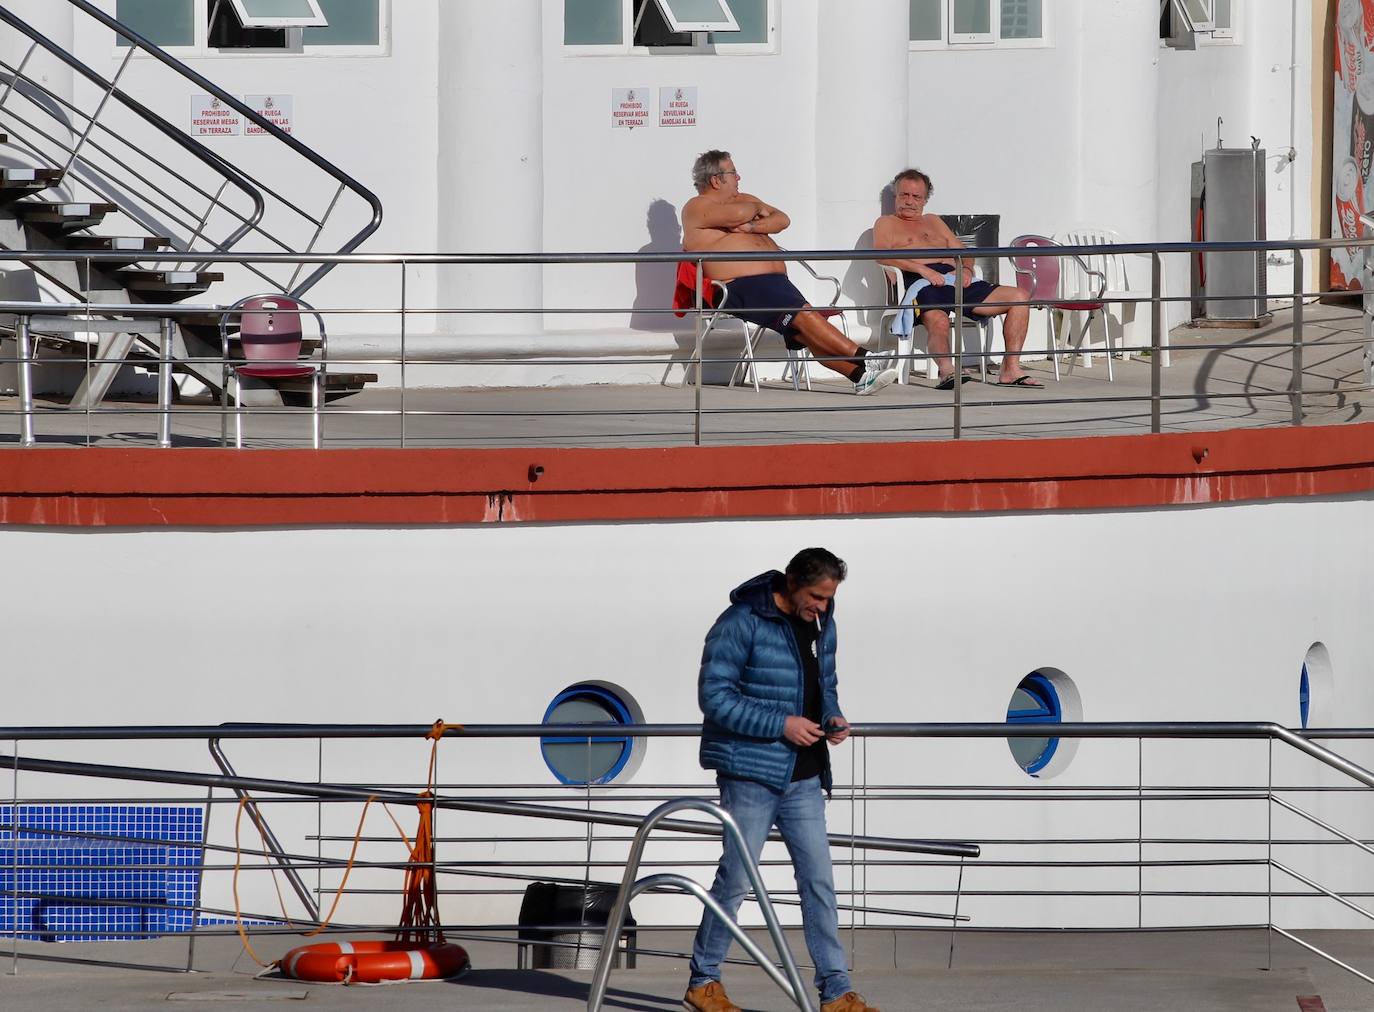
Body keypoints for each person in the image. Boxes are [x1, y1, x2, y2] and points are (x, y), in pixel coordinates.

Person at [684, 548, 880, 1012]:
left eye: (830, 599)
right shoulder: (741, 620)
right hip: (750, 772)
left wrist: (831, 716)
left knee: (819, 882)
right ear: (791, 581)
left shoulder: (821, 624)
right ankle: (702, 981)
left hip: (805, 775)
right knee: (736, 878)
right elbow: (714, 697)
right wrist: (781, 724)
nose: (823, 607)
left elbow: (824, 685)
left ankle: (836, 992)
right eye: (816, 596)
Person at [682, 150, 898, 396]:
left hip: (773, 283)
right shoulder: (697, 206)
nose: (739, 177)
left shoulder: (742, 200)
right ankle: (865, 358)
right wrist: (755, 208)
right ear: (716, 180)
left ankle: (860, 377)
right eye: (733, 173)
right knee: (803, 315)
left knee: (803, 330)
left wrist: (752, 225)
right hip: (739, 286)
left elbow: (782, 220)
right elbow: (741, 213)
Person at [874, 168, 1042, 389]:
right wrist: (922, 269)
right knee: (939, 320)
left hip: (955, 278)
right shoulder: (886, 223)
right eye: (904, 195)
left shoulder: (933, 221)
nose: (909, 201)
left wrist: (967, 270)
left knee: (1019, 297)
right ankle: (947, 370)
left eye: (916, 197)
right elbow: (880, 254)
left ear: (925, 200)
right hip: (921, 282)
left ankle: (1010, 369)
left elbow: (965, 252)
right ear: (896, 196)